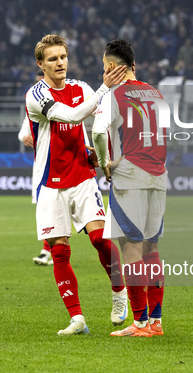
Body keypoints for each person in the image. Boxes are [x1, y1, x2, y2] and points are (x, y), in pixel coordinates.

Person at [25, 34, 127, 335]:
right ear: (41, 64)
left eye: (63, 57)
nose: (60, 63)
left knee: (100, 238)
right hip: (49, 182)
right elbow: (70, 116)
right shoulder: (36, 94)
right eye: (53, 59)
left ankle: (119, 292)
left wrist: (103, 156)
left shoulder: (81, 88)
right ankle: (77, 318)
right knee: (59, 250)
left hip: (82, 176)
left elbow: (100, 122)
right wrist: (105, 87)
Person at [92, 39, 167, 337]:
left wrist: (105, 162)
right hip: (158, 176)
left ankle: (139, 322)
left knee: (131, 248)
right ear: (134, 66)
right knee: (151, 247)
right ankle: (156, 321)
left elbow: (98, 131)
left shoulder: (114, 95)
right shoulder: (156, 93)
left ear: (111, 67)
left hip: (130, 177)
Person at [19, 70, 53, 266]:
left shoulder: (60, 104)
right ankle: (48, 250)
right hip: (41, 165)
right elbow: (23, 131)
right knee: (45, 208)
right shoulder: (32, 104)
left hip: (61, 165)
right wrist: (25, 137)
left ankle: (48, 250)